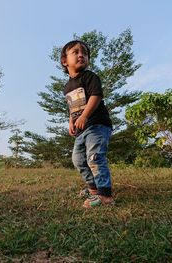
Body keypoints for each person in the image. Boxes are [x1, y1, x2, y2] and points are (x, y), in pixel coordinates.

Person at [61, 40, 114, 208]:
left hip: (97, 125)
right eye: (75, 52)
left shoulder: (90, 77)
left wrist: (84, 116)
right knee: (78, 159)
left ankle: (105, 196)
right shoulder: (67, 86)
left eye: (84, 53)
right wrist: (71, 121)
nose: (81, 55)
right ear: (64, 61)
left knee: (95, 157)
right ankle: (93, 190)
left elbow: (96, 96)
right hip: (81, 130)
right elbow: (72, 106)